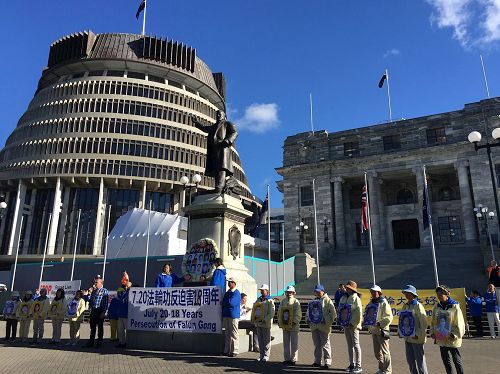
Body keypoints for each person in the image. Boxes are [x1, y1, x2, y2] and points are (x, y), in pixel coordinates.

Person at [192, 110, 238, 193]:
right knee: (216, 168)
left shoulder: (227, 124)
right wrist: (197, 123)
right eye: (217, 114)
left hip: (223, 149)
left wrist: (227, 141)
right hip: (214, 151)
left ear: (224, 116)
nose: (218, 115)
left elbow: (234, 132)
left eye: (220, 114)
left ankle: (220, 186)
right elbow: (205, 128)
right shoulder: (213, 126)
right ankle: (218, 186)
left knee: (221, 167)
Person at [430, 285, 465, 374]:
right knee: (446, 360)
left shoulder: (454, 306)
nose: (439, 295)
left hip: (452, 337)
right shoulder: (437, 306)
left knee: (456, 360)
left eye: (441, 293)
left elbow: (460, 322)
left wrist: (455, 334)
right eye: (437, 293)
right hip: (441, 336)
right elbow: (433, 321)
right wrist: (432, 332)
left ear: (447, 294)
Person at [400, 285, 429, 374]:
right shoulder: (405, 306)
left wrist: (418, 334)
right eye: (406, 293)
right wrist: (401, 331)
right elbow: (401, 320)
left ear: (413, 294)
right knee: (410, 361)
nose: (407, 295)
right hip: (408, 338)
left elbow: (424, 323)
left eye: (408, 293)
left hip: (417, 338)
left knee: (420, 362)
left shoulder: (418, 306)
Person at [365, 285, 393, 374]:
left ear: (379, 292)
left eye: (374, 292)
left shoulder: (384, 302)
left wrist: (379, 324)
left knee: (385, 352)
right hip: (374, 330)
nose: (373, 293)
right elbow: (368, 314)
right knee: (377, 353)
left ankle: (387, 370)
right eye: (372, 292)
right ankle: (381, 368)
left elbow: (389, 317)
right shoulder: (370, 303)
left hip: (382, 331)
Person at [307, 284, 336, 369]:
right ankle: (317, 361)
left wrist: (325, 319)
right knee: (317, 345)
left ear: (323, 291)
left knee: (325, 344)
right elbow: (308, 311)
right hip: (314, 326)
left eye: (319, 291)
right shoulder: (313, 301)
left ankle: (327, 362)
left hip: (324, 326)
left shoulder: (327, 300)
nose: (317, 293)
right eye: (316, 291)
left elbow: (333, 313)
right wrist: (308, 319)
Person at [339, 280, 363, 373]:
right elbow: (340, 310)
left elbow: (358, 313)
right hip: (346, 325)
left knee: (356, 345)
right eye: (347, 287)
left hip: (353, 326)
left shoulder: (356, 298)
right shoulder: (343, 297)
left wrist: (352, 323)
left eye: (349, 288)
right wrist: (342, 321)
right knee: (350, 345)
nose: (347, 289)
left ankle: (359, 365)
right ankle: (351, 364)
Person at [278, 285, 302, 366]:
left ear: (293, 293)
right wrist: (280, 322)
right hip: (285, 326)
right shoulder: (283, 301)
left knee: (294, 343)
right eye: (288, 292)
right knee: (286, 343)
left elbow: (298, 314)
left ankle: (293, 359)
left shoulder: (296, 301)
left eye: (290, 292)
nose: (289, 293)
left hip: (293, 326)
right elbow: (279, 313)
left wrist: (294, 322)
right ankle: (287, 358)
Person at [251, 284, 275, 362]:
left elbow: (271, 313)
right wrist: (254, 319)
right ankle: (261, 355)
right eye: (261, 290)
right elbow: (254, 309)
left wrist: (265, 319)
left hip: (266, 323)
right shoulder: (259, 300)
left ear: (267, 291)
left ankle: (266, 355)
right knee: (260, 340)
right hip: (259, 323)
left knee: (266, 340)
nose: (261, 291)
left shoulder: (270, 300)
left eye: (263, 290)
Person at [83, 277, 109, 348]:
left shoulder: (104, 291)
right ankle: (91, 342)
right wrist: (89, 293)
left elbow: (106, 302)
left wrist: (103, 312)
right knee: (92, 327)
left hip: (100, 310)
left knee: (100, 328)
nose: (95, 284)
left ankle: (99, 343)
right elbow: (89, 300)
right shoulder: (94, 291)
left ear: (101, 283)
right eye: (95, 282)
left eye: (96, 282)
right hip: (93, 310)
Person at [222, 277, 241, 357]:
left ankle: (234, 350)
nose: (228, 283)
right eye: (228, 282)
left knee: (234, 333)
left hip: (233, 315)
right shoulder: (227, 292)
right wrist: (226, 302)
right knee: (227, 333)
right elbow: (225, 301)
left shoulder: (236, 293)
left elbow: (232, 303)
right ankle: (226, 350)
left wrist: (225, 302)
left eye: (230, 282)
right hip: (226, 314)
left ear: (234, 283)